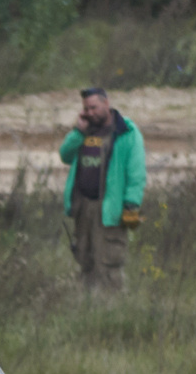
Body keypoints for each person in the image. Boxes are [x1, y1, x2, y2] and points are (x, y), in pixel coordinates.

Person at [58, 86, 145, 288]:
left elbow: (137, 173)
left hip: (110, 209)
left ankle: (112, 310)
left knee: (109, 262)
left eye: (94, 107)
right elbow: (65, 155)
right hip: (83, 208)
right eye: (86, 109)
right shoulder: (84, 131)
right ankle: (87, 308)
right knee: (85, 259)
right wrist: (78, 131)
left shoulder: (127, 133)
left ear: (107, 103)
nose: (90, 113)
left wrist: (131, 204)